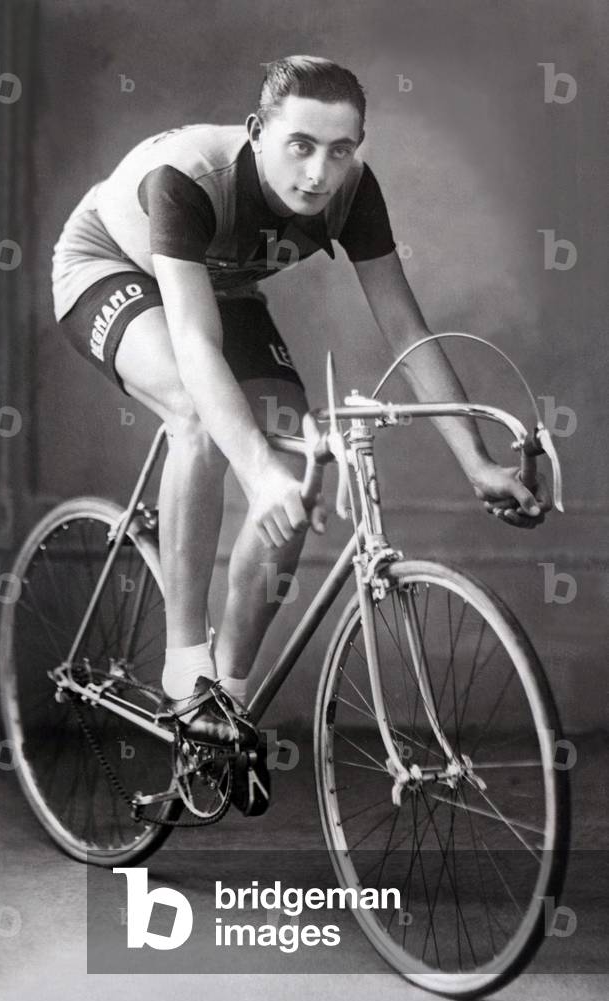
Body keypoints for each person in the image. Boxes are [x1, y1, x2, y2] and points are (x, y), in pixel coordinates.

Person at [51, 55, 551, 746]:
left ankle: (226, 699)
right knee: (197, 416)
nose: (319, 172)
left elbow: (406, 330)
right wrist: (254, 473)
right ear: (257, 131)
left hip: (221, 287)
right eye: (301, 145)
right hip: (111, 267)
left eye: (340, 150)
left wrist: (477, 462)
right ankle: (184, 663)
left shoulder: (353, 189)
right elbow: (195, 343)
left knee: (300, 467)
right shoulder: (187, 177)